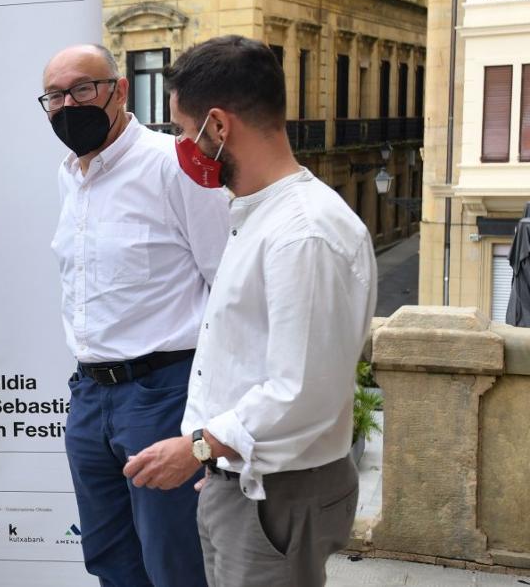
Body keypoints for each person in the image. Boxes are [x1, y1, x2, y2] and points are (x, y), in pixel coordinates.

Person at [124, 35, 375, 587]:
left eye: (185, 132)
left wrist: (197, 449)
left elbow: (300, 390)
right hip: (245, 478)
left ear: (218, 126)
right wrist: (217, 462)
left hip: (276, 492)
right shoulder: (257, 214)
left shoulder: (302, 233)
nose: (182, 146)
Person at [40, 44, 229, 586]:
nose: (68, 104)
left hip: (162, 394)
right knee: (109, 559)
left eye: (83, 89)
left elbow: (229, 289)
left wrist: (210, 419)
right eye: (55, 95)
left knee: (174, 564)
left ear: (120, 91)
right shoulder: (69, 175)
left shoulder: (175, 166)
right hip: (89, 395)